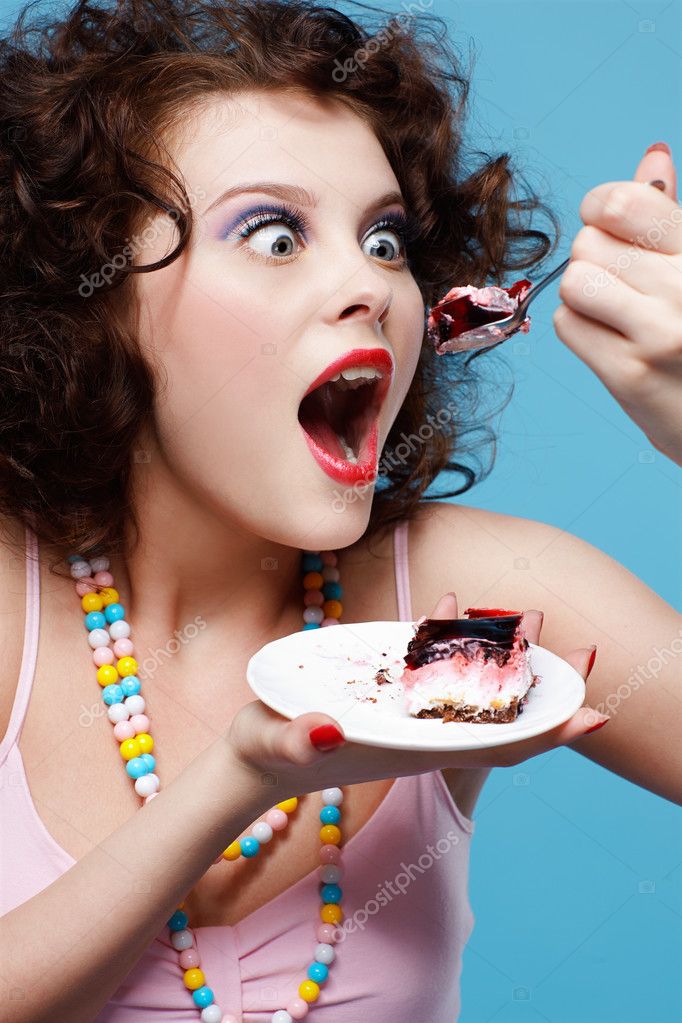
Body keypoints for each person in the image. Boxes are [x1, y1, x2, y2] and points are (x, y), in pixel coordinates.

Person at [0, 1, 679, 1021]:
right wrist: (234, 782)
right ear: (93, 301)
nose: (368, 285)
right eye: (274, 235)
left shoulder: (468, 594)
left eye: (385, 239)